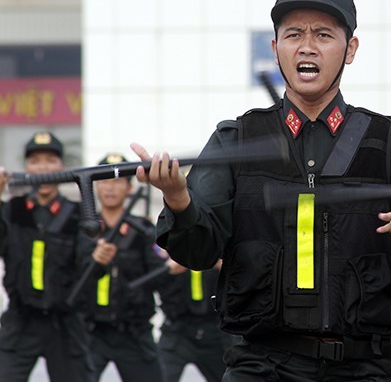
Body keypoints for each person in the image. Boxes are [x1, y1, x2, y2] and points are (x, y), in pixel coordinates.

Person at [132, 0, 391, 380]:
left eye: (323, 34)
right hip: (261, 366)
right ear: (275, 48)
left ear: (350, 49)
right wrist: (178, 198)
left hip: (365, 367)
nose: (307, 46)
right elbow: (195, 253)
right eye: (293, 34)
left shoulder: (388, 141)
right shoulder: (237, 139)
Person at [0, 131, 93, 382]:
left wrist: (101, 259)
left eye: (51, 160)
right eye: (36, 160)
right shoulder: (11, 209)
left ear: (62, 166)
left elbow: (90, 269)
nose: (43, 168)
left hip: (64, 323)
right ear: (26, 167)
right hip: (21, 321)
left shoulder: (77, 214)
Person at [78, 153, 165, 381]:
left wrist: (171, 267)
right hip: (91, 331)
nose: (110, 188)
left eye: (117, 181)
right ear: (96, 187)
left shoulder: (144, 230)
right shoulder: (84, 230)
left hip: (133, 332)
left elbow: (160, 276)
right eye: (105, 181)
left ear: (128, 187)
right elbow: (71, 275)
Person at [157, 256, 239, 381]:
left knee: (232, 377)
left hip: (216, 330)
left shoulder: (225, 242)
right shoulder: (166, 242)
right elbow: (146, 279)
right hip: (177, 330)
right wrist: (167, 270)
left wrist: (230, 268)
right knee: (159, 376)